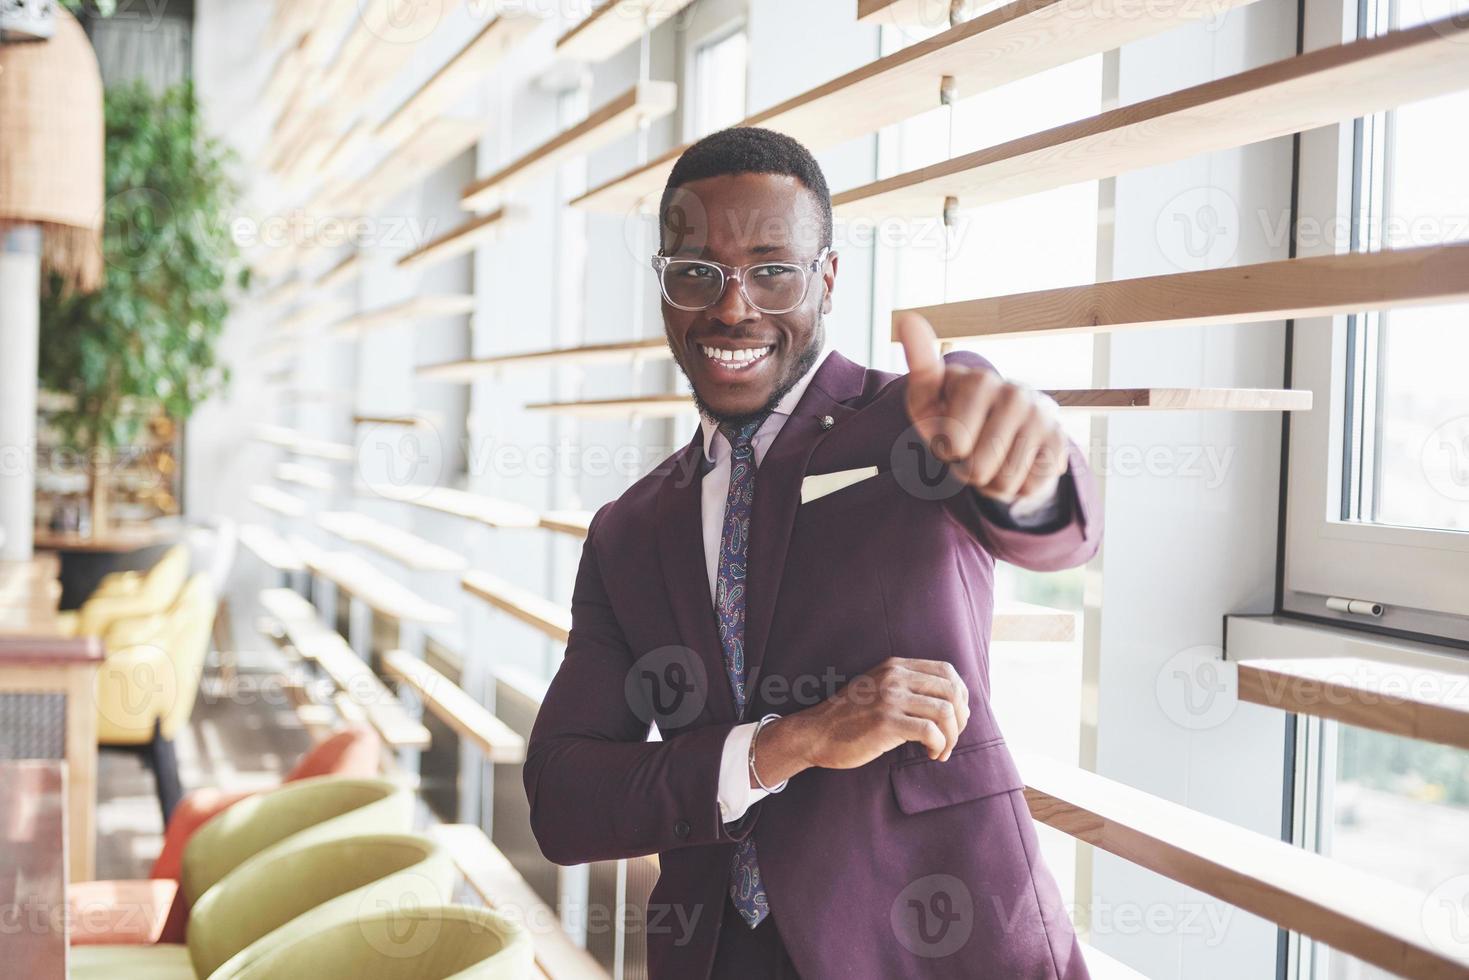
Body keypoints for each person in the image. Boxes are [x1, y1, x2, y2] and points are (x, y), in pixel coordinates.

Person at [525, 127, 1100, 979]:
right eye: (696, 273)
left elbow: (1055, 528)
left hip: (940, 942)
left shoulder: (924, 418)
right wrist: (785, 743)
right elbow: (566, 802)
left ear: (825, 278)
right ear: (664, 286)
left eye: (771, 269)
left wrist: (1031, 472)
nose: (731, 308)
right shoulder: (629, 530)